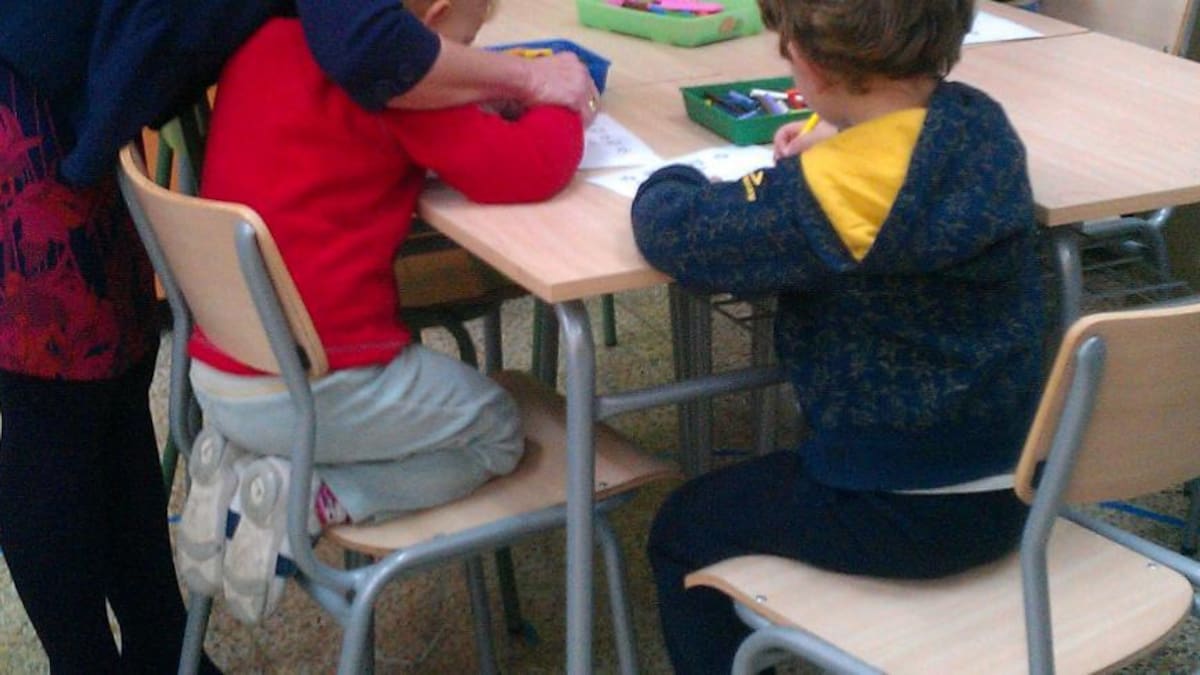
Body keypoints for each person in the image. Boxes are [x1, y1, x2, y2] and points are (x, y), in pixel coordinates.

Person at [0, 0, 595, 670]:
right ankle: (291, 504)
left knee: (104, 391)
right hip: (27, 95)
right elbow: (380, 50)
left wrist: (470, 79)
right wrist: (543, 88)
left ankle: (162, 647)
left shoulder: (279, 45)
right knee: (54, 413)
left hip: (225, 366)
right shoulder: (382, 64)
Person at [630, 0, 1045, 672]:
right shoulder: (981, 124)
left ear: (809, 63)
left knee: (682, 527)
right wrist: (838, 138)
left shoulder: (832, 194)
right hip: (1022, 479)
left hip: (896, 504)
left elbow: (677, 231)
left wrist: (672, 176)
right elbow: (899, 175)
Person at [180, 0, 587, 625]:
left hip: (220, 373)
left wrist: (479, 93)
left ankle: (240, 461)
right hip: (314, 391)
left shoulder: (267, 39)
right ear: (431, 23)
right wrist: (563, 103)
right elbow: (529, 167)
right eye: (464, 45)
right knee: (499, 431)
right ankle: (314, 492)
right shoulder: (397, 81)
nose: (463, 64)